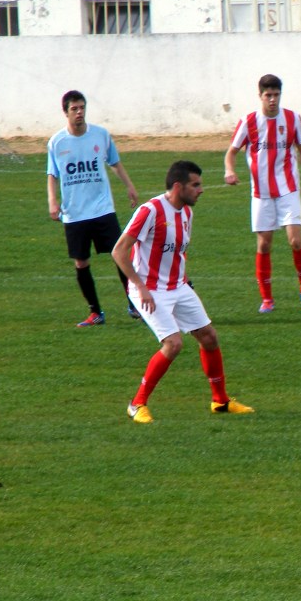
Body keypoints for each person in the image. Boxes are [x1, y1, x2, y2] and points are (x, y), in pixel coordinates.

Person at [112, 160, 254, 424]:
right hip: (149, 290)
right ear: (178, 187)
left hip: (177, 286)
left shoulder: (187, 212)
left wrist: (183, 280)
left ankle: (220, 401)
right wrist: (140, 287)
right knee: (173, 344)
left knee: (209, 337)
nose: (201, 190)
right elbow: (119, 251)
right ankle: (136, 404)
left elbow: (177, 251)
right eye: (195, 185)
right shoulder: (150, 211)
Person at [224, 74, 301, 314]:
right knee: (264, 244)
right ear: (260, 96)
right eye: (268, 95)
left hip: (288, 189)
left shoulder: (292, 119)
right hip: (261, 193)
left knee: (295, 241)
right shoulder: (249, 122)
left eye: (276, 94)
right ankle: (267, 299)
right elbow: (231, 152)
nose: (273, 99)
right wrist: (229, 170)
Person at [46, 90, 141, 327]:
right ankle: (96, 312)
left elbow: (115, 162)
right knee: (81, 262)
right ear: (66, 112)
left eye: (82, 108)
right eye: (74, 109)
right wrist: (52, 201)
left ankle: (134, 304)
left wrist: (129, 186)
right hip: (74, 213)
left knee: (119, 254)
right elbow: (52, 174)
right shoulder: (57, 142)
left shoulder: (101, 135)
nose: (79, 112)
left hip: (102, 209)